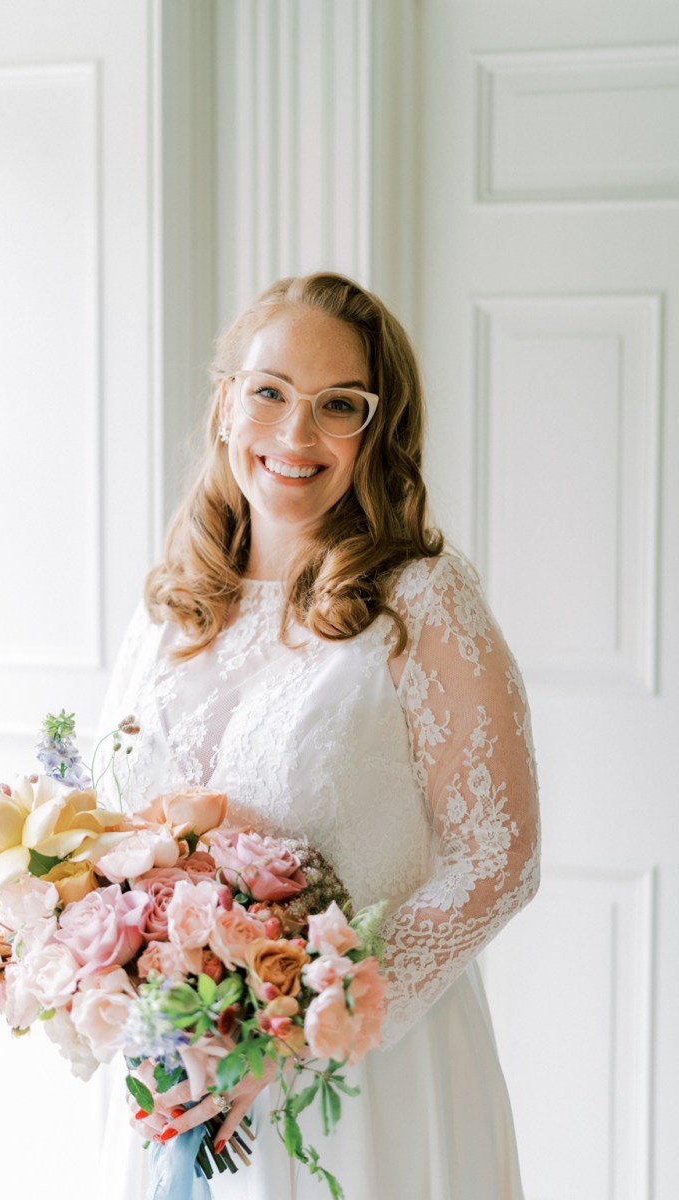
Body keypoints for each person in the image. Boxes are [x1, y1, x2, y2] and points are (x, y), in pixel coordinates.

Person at [95, 272, 540, 1199]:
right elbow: (112, 829)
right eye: (270, 392)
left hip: (361, 1087)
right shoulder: (172, 605)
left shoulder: (420, 599)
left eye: (339, 405)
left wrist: (296, 1025)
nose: (296, 436)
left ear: (377, 432)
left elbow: (499, 860)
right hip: (180, 1075)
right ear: (226, 403)